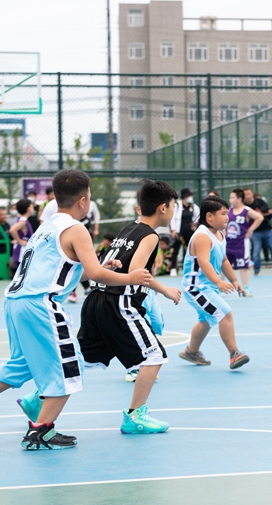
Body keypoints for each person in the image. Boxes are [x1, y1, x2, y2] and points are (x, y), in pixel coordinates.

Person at [0, 170, 152, 449]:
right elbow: (95, 275)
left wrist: (101, 267)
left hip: (16, 302)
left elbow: (74, 269)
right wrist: (130, 277)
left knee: (20, 365)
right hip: (40, 304)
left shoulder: (47, 226)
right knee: (70, 366)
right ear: (83, 201)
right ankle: (40, 430)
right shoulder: (77, 229)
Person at [77, 180, 181, 433]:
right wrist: (165, 290)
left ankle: (38, 399)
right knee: (154, 356)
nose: (173, 211)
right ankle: (136, 416)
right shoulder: (150, 235)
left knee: (85, 358)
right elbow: (136, 271)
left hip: (96, 299)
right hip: (119, 302)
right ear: (163, 208)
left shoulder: (128, 229)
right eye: (173, 206)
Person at [179, 196, 249, 369]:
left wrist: (234, 280)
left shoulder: (219, 234)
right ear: (209, 216)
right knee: (225, 313)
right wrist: (219, 282)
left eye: (227, 213)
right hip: (196, 288)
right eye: (223, 214)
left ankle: (191, 351)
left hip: (206, 286)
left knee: (206, 320)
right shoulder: (202, 236)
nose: (227, 217)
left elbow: (223, 260)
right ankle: (234, 354)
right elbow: (204, 262)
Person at [227, 189, 263, 296]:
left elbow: (259, 217)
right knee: (224, 264)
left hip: (241, 243)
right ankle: (221, 286)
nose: (230, 200)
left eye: (232, 197)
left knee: (243, 266)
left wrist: (250, 229)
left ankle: (246, 287)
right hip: (228, 243)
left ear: (239, 199)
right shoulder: (229, 210)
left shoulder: (246, 210)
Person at [246, 188, 272, 275]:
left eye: (249, 193)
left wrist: (261, 214)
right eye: (245, 194)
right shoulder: (244, 207)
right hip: (255, 233)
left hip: (267, 230)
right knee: (256, 251)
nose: (248, 196)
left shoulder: (260, 201)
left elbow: (269, 211)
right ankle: (256, 270)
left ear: (252, 194)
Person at [168, 188, 199, 276]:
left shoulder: (194, 206)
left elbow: (198, 217)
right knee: (175, 250)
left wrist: (195, 224)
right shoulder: (177, 205)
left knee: (188, 250)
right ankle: (173, 268)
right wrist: (173, 230)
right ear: (185, 197)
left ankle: (187, 268)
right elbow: (172, 218)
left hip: (189, 232)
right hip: (179, 232)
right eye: (189, 195)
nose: (191, 197)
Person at [9, 198, 35, 276]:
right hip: (22, 251)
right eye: (32, 206)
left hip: (22, 250)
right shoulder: (23, 221)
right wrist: (19, 241)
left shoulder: (22, 219)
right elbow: (12, 230)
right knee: (22, 274)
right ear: (28, 208)